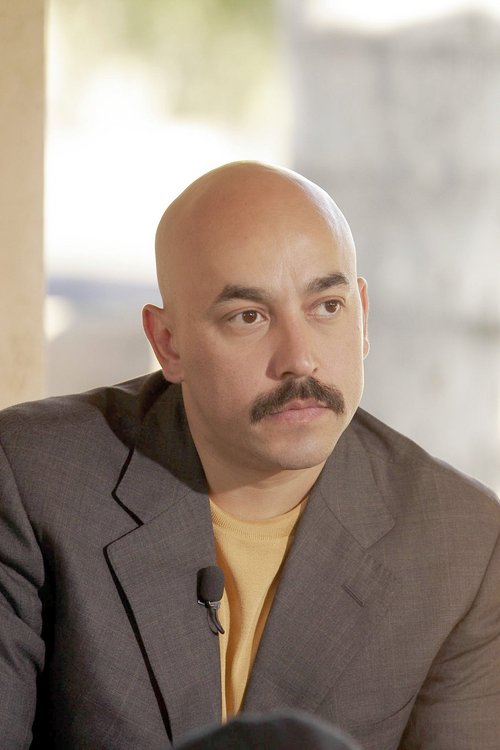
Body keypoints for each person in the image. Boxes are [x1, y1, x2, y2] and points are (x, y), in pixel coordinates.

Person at [0, 162, 499, 750]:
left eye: (327, 306)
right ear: (168, 342)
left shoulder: (461, 542)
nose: (300, 359)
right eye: (248, 317)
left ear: (362, 314)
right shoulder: (33, 477)